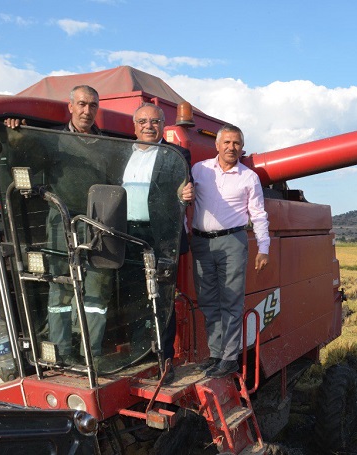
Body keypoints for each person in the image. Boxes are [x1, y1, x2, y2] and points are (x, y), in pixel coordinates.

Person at [5, 85, 109, 364]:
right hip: (60, 222)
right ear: (71, 106)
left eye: (93, 106)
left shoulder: (108, 146)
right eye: (82, 104)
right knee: (59, 286)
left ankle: (92, 353)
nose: (88, 111)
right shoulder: (53, 142)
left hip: (98, 223)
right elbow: (21, 167)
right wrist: (18, 138)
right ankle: (61, 351)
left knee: (96, 289)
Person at [113, 103, 194, 383]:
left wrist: (185, 193)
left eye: (155, 121)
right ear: (133, 126)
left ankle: (164, 359)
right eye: (143, 121)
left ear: (163, 125)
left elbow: (184, 187)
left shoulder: (176, 154)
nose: (149, 126)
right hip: (125, 235)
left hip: (160, 236)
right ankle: (137, 355)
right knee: (133, 296)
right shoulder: (120, 153)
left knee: (160, 298)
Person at [190, 124, 270, 378]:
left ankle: (230, 357)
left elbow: (258, 214)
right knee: (208, 300)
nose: (231, 147)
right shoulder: (199, 170)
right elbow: (185, 200)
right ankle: (215, 354)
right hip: (201, 242)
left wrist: (264, 247)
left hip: (233, 242)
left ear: (241, 148)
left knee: (231, 300)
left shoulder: (249, 177)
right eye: (226, 142)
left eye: (236, 143)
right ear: (217, 145)